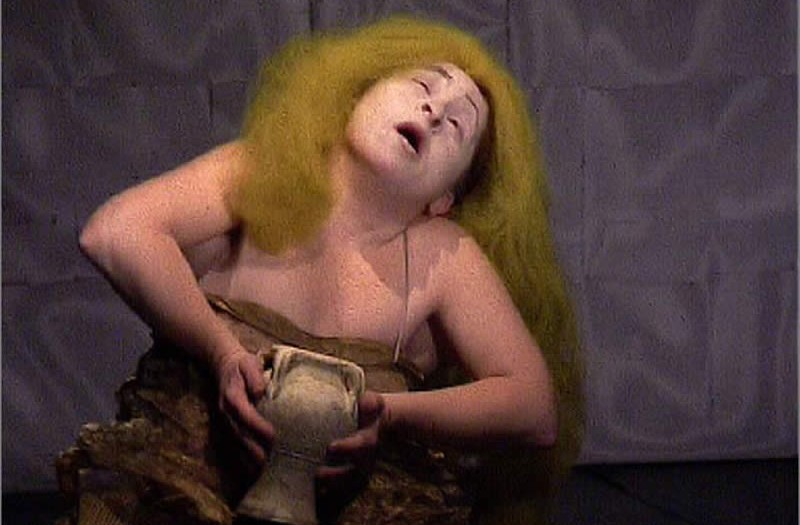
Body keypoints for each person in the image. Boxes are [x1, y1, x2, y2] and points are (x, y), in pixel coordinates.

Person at [77, 16, 583, 525]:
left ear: (444, 199)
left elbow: (533, 408)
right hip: (186, 487)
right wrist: (223, 354)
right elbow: (115, 233)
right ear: (353, 100)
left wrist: (386, 413)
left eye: (457, 125)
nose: (434, 112)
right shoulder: (261, 173)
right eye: (422, 86)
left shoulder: (442, 252)